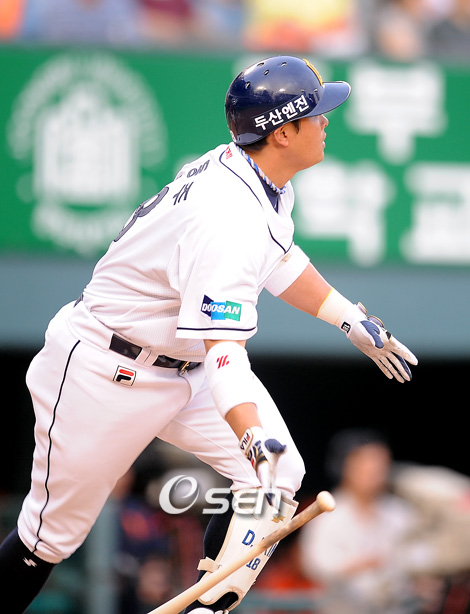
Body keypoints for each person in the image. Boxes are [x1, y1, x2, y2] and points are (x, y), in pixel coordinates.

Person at [0, 55, 417, 614]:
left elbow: (276, 258)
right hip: (103, 369)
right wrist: (250, 434)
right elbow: (225, 355)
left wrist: (347, 317)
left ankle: (207, 608)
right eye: (315, 113)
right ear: (282, 132)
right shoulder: (227, 216)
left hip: (182, 363)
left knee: (276, 480)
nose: (325, 121)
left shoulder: (255, 176)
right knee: (48, 538)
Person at [299, 429, 424, 614]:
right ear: (345, 466)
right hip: (344, 608)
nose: (373, 471)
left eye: (380, 464)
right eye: (365, 463)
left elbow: (422, 556)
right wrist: (360, 564)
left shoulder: (400, 513)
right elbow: (314, 564)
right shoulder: (326, 513)